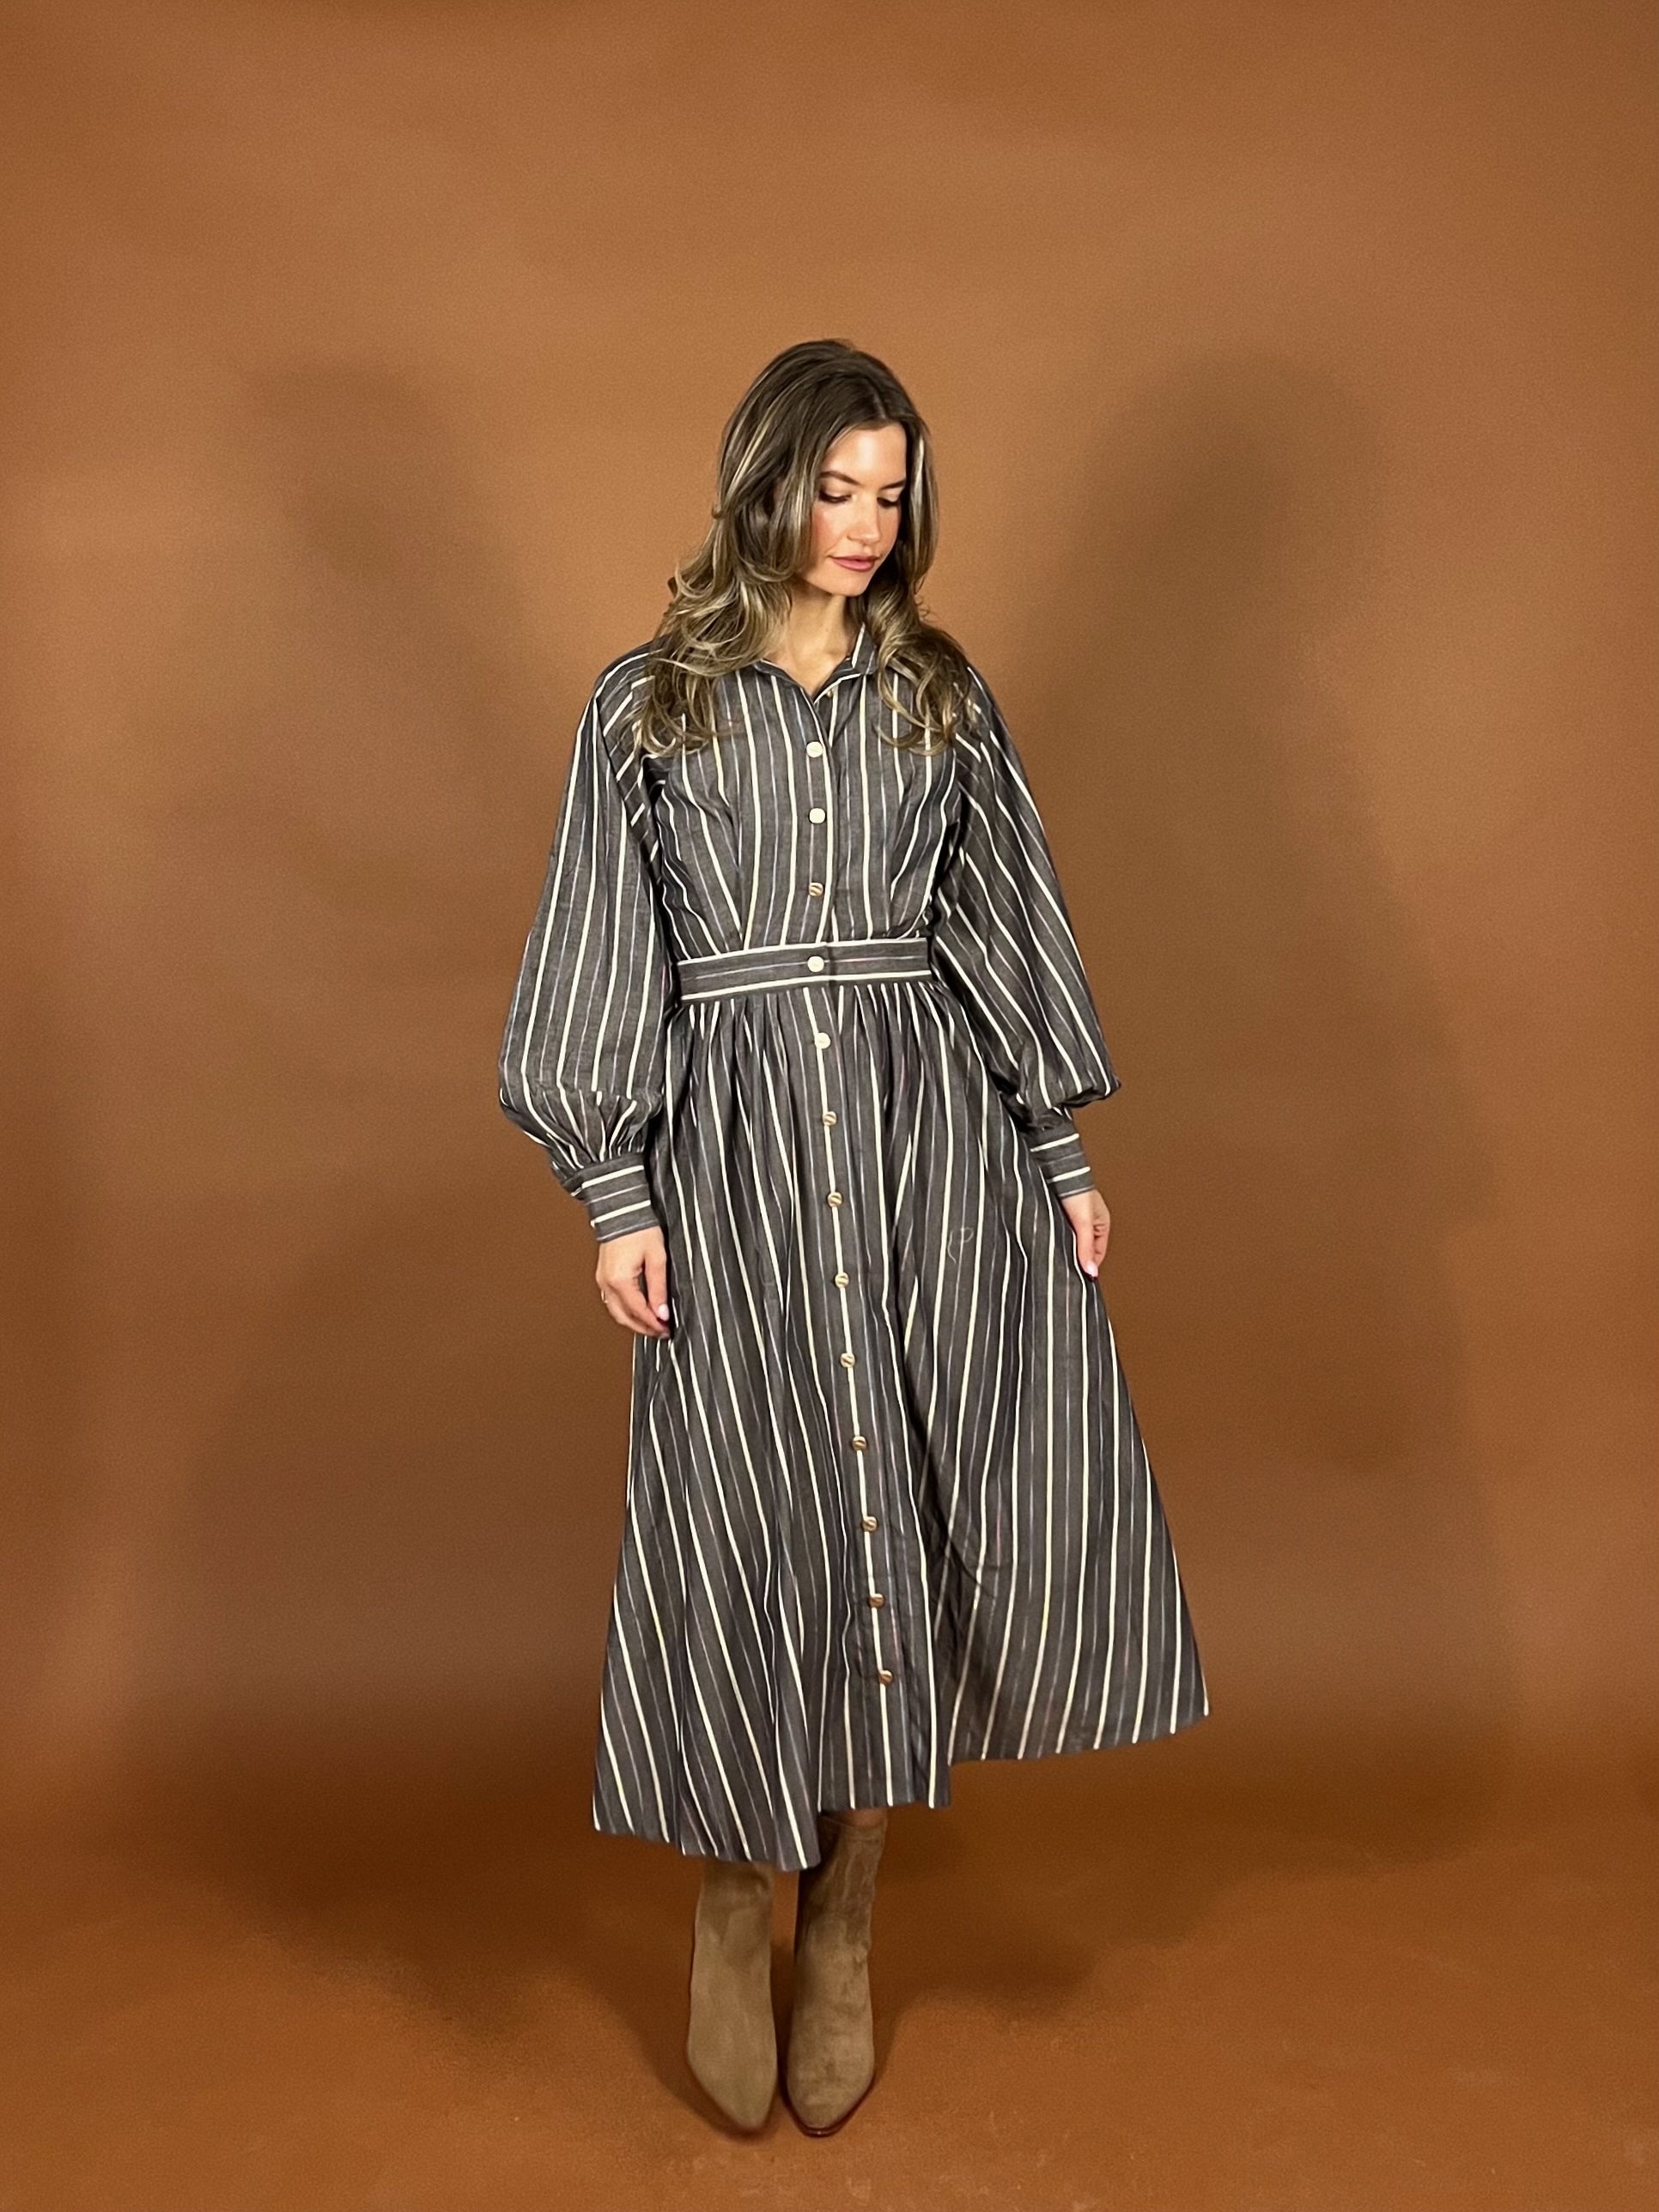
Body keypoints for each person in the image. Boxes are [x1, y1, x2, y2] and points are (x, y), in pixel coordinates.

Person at [496, 338, 1209, 2136]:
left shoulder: (938, 698)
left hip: (927, 1155)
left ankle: (849, 1913)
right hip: (734, 1164)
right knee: (749, 1514)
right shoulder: (647, 706)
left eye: (892, 494)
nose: (865, 525)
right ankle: (733, 1894)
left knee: (910, 1495)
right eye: (836, 488)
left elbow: (1002, 923)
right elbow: (599, 945)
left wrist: (1057, 1152)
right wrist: (616, 1191)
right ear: (765, 483)